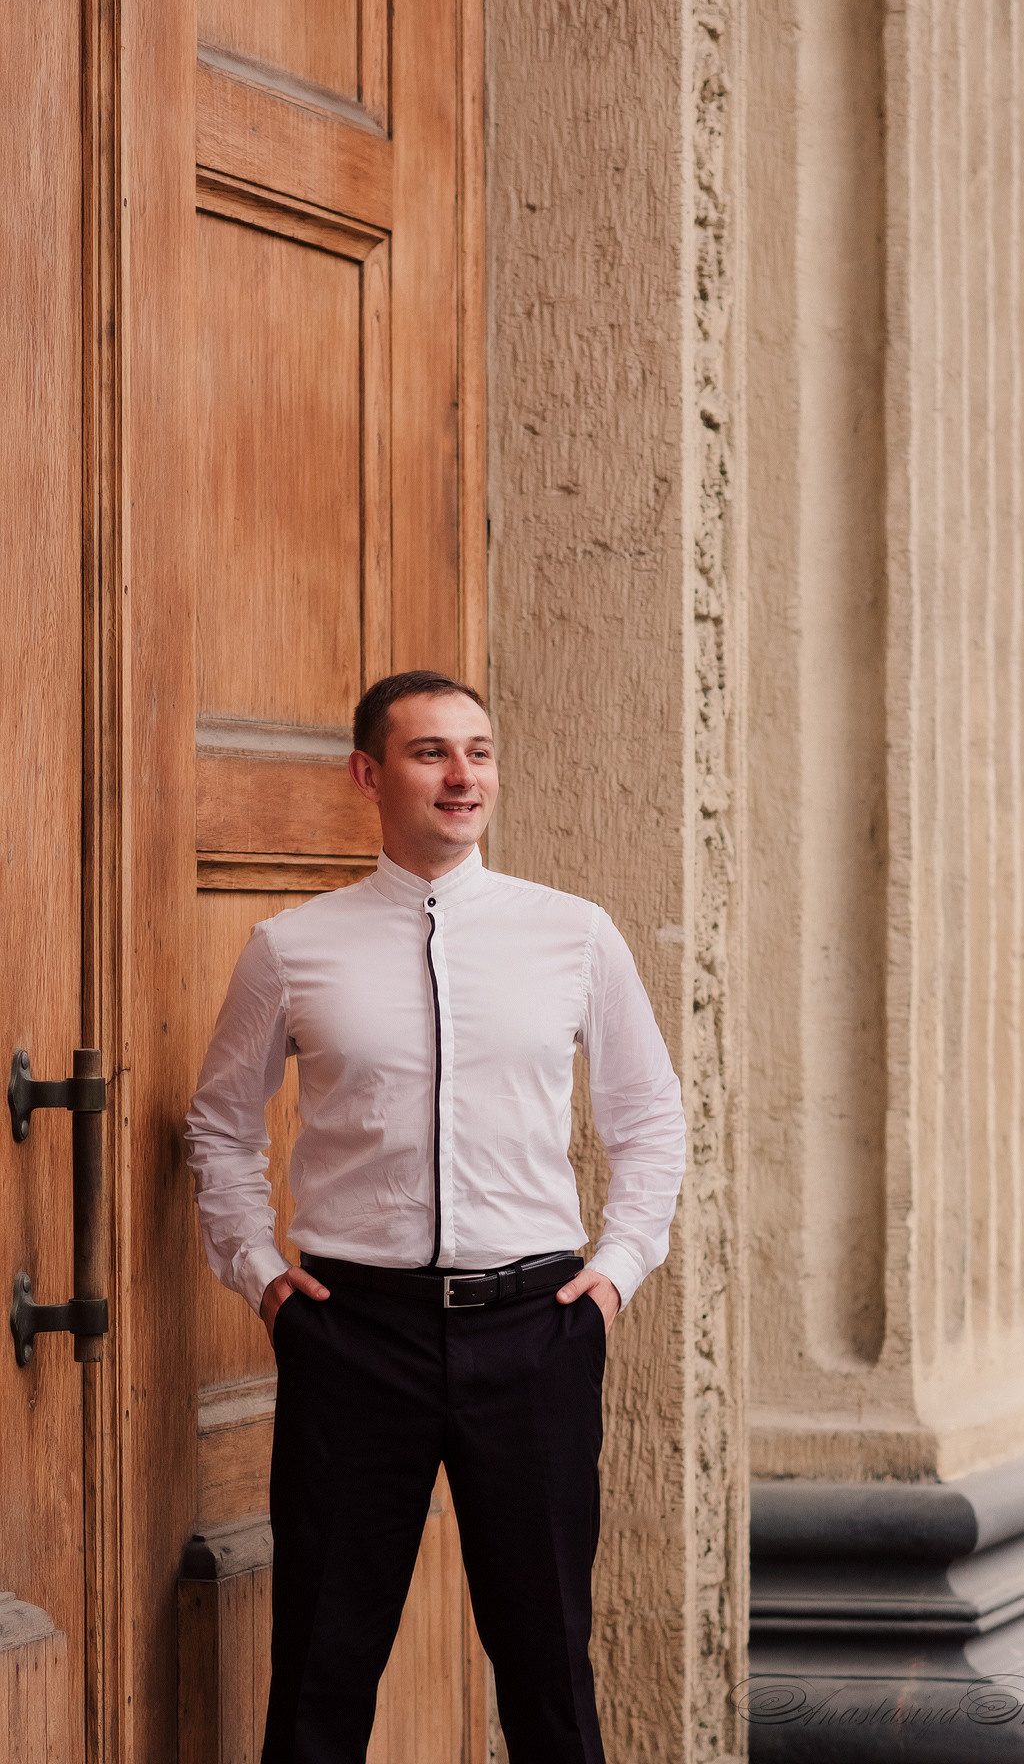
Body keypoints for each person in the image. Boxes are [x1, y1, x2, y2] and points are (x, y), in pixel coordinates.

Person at [184, 669, 687, 1764]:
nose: (464, 776)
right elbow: (218, 1126)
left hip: (537, 1328)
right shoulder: (290, 947)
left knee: (549, 1664)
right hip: (352, 1334)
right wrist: (261, 1275)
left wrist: (615, 1272)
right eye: (431, 753)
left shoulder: (574, 935)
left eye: (480, 752)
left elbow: (650, 1116)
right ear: (369, 775)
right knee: (321, 1664)